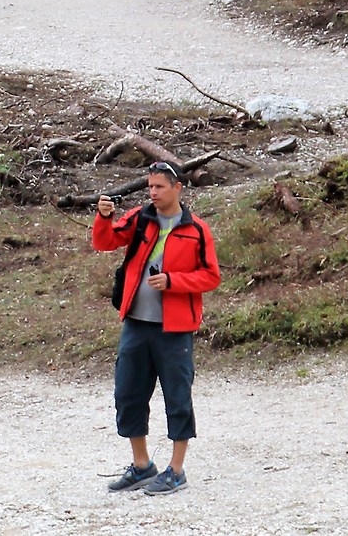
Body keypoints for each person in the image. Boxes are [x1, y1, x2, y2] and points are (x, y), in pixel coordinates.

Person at [93, 161, 222, 498]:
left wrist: (174, 281)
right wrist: (104, 217)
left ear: (177, 188)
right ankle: (141, 465)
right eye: (149, 186)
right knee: (129, 393)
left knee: (177, 397)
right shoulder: (139, 218)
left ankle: (176, 470)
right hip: (136, 324)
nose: (152, 192)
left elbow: (211, 276)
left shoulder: (196, 230)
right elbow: (105, 243)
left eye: (159, 187)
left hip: (175, 329)